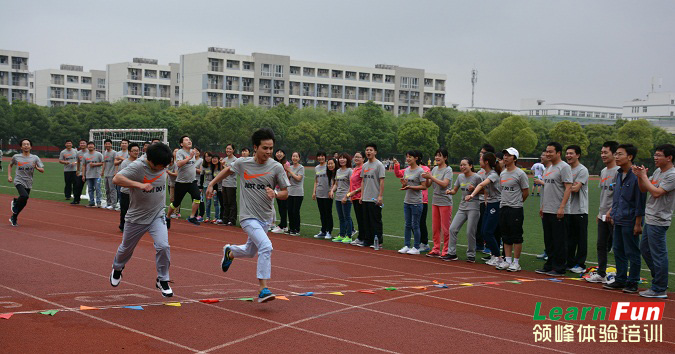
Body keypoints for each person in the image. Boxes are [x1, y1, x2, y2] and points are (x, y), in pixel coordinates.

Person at [206, 128, 290, 303]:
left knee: (251, 251)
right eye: (265, 148)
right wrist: (212, 184)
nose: (268, 152)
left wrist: (274, 194)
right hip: (247, 216)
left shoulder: (276, 167)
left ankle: (230, 252)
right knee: (266, 246)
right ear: (255, 147)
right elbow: (228, 170)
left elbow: (285, 193)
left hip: (266, 217)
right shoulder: (243, 163)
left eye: (271, 148)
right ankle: (263, 289)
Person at [110, 142, 174, 298]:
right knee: (126, 248)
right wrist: (138, 184)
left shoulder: (164, 162)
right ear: (151, 161)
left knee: (163, 246)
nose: (163, 168)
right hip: (136, 217)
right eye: (160, 166)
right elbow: (116, 179)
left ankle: (162, 279)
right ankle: (117, 268)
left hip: (157, 215)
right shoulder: (138, 166)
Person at [633, 143, 675, 298]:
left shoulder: (672, 175)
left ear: (669, 158)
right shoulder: (658, 171)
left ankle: (659, 288)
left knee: (658, 253)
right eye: (655, 155)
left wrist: (644, 177)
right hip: (650, 217)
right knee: (645, 250)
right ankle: (660, 279)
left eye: (658, 155)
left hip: (659, 219)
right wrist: (640, 177)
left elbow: (657, 193)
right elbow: (644, 189)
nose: (655, 158)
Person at [604, 144, 644, 293]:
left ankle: (633, 282)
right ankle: (620, 279)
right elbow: (617, 197)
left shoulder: (636, 176)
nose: (616, 157)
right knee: (618, 250)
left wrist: (638, 223)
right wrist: (613, 213)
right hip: (619, 218)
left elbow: (640, 201)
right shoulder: (619, 174)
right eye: (616, 154)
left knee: (632, 252)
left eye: (620, 154)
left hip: (631, 220)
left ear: (630, 157)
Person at [536, 142, 573, 277]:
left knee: (559, 240)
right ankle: (550, 265)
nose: (548, 154)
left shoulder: (564, 167)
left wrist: (562, 207)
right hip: (547, 209)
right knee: (549, 240)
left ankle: (559, 267)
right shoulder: (548, 168)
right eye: (547, 151)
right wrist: (543, 206)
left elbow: (568, 187)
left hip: (559, 210)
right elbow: (547, 187)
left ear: (558, 153)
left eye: (551, 151)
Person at [587, 141, 620, 284]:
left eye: (606, 152)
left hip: (614, 215)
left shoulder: (619, 172)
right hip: (602, 215)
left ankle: (620, 276)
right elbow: (604, 194)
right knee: (601, 245)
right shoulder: (603, 171)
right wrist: (600, 213)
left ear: (614, 153)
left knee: (618, 246)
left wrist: (612, 211)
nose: (603, 155)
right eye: (601, 152)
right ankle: (601, 273)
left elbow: (620, 196)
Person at [466, 152, 502, 266]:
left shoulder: (493, 174)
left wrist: (471, 195)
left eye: (481, 159)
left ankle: (498, 256)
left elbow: (482, 185)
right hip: (490, 204)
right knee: (483, 231)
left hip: (497, 203)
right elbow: (486, 189)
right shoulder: (486, 173)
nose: (479, 161)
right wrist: (486, 200)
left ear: (486, 162)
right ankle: (493, 255)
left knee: (488, 231)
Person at [444, 157, 482, 262]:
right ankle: (451, 253)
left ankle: (471, 255)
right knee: (452, 229)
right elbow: (455, 190)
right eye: (461, 165)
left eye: (464, 165)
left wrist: (474, 189)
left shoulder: (477, 177)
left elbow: (484, 191)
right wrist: (449, 191)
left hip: (473, 207)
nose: (462, 167)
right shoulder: (460, 177)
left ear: (470, 166)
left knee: (470, 231)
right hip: (462, 207)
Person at [394, 152, 431, 252]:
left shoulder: (420, 171)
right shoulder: (406, 170)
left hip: (417, 202)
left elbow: (424, 186)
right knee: (407, 224)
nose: (408, 159)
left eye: (410, 157)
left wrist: (411, 187)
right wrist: (404, 185)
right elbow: (405, 186)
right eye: (407, 157)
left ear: (416, 158)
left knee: (416, 225)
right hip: (407, 201)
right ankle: (406, 245)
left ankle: (416, 247)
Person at [423, 148, 452, 258]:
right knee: (435, 227)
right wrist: (427, 178)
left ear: (445, 158)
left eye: (440, 155)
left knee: (445, 227)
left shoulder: (448, 170)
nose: (437, 158)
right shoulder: (434, 169)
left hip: (445, 201)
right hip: (435, 201)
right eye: (436, 155)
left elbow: (444, 184)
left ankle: (446, 250)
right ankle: (436, 249)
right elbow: (428, 185)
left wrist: (430, 177)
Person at [166, 136, 201, 226]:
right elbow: (179, 164)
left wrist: (193, 155)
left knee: (197, 197)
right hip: (181, 183)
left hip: (192, 182)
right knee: (176, 203)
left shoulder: (192, 151)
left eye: (190, 140)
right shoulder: (180, 152)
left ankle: (192, 217)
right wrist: (189, 157)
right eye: (186, 140)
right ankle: (168, 217)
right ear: (181, 144)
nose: (189, 141)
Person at [8, 138, 44, 226]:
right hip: (19, 180)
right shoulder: (16, 157)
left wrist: (37, 168)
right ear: (21, 147)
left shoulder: (35, 158)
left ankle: (14, 217)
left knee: (24, 202)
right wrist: (9, 176)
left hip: (29, 181)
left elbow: (42, 170)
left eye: (28, 144)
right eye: (24, 144)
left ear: (31, 147)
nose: (26, 146)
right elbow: (10, 165)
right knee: (24, 196)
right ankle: (15, 202)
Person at [565, 145, 589, 274]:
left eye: (571, 153)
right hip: (568, 209)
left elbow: (575, 188)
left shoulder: (582, 170)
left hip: (580, 210)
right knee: (570, 238)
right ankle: (570, 262)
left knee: (581, 239)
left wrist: (563, 186)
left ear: (578, 155)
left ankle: (580, 263)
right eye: (567, 153)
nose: (568, 156)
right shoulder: (566, 169)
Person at [360, 143, 386, 248]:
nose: (368, 152)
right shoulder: (365, 165)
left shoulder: (379, 165)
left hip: (374, 198)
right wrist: (361, 195)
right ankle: (368, 240)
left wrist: (380, 196)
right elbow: (363, 181)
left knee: (375, 220)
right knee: (366, 220)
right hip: (365, 197)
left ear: (375, 152)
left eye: (371, 150)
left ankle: (377, 241)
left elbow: (382, 181)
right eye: (367, 150)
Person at [476, 144, 495, 254]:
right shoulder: (480, 172)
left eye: (483, 153)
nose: (480, 155)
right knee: (479, 225)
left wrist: (475, 191)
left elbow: (488, 189)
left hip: (489, 201)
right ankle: (479, 244)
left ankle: (490, 247)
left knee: (487, 226)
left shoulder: (494, 172)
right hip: (480, 201)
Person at [332, 153, 353, 243]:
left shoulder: (349, 171)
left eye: (344, 158)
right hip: (338, 197)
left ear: (347, 160)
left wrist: (346, 196)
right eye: (340, 158)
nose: (342, 160)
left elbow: (352, 185)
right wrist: (332, 191)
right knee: (341, 217)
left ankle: (349, 236)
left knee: (347, 217)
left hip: (346, 198)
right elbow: (336, 184)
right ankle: (341, 235)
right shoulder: (338, 171)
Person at [118, 143, 140, 232]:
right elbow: (122, 176)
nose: (136, 152)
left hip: (137, 191)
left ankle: (136, 226)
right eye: (134, 151)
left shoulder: (140, 162)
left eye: (137, 151)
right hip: (126, 191)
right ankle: (123, 226)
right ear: (129, 152)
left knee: (137, 210)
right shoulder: (125, 163)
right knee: (125, 210)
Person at [534, 149, 551, 261]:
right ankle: (547, 251)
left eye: (543, 155)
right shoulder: (546, 171)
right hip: (544, 204)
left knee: (552, 231)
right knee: (547, 231)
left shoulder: (553, 170)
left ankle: (551, 253)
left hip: (552, 206)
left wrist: (541, 183)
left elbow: (556, 187)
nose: (542, 156)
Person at [313, 151, 333, 239]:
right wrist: (314, 192)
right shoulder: (317, 168)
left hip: (328, 193)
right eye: (319, 156)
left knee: (328, 212)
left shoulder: (329, 166)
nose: (320, 158)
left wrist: (331, 190)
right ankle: (323, 230)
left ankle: (329, 231)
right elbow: (316, 181)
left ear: (325, 157)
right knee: (322, 213)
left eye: (322, 156)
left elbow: (333, 179)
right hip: (319, 192)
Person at [347, 151, 365, 246]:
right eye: (355, 157)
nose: (356, 158)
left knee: (362, 218)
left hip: (360, 197)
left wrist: (355, 192)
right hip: (354, 197)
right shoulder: (355, 169)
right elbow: (352, 183)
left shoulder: (363, 169)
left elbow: (364, 183)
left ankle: (362, 237)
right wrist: (351, 194)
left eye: (359, 157)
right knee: (358, 218)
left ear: (363, 159)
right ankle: (360, 237)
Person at [271, 149, 290, 233]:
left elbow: (287, 176)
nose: (279, 154)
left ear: (284, 154)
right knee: (280, 207)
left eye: (281, 152)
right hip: (277, 188)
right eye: (277, 152)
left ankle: (283, 225)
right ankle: (284, 225)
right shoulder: (274, 164)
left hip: (284, 188)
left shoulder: (286, 164)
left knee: (283, 207)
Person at [286, 152, 305, 236]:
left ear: (299, 158)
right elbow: (287, 178)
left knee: (295, 211)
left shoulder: (301, 168)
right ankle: (291, 228)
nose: (295, 158)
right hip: (290, 191)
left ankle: (297, 229)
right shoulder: (290, 167)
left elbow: (298, 178)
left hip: (298, 192)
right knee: (290, 211)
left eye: (296, 156)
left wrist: (290, 171)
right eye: (293, 156)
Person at [82, 141, 104, 208]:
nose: (90, 146)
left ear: (94, 146)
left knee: (98, 189)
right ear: (87, 146)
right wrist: (83, 175)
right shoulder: (85, 155)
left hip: (97, 175)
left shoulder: (99, 154)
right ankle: (91, 202)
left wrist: (95, 164)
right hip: (88, 175)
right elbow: (83, 165)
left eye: (91, 145)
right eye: (89, 145)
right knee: (90, 189)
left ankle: (99, 202)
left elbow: (103, 163)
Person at [220, 144, 238, 226]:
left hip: (231, 184)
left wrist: (223, 165)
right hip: (224, 183)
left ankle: (232, 220)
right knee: (225, 202)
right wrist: (221, 165)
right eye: (227, 149)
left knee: (232, 202)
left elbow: (231, 171)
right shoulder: (225, 159)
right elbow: (222, 171)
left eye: (230, 149)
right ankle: (225, 219)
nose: (228, 150)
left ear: (233, 150)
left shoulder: (235, 160)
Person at [202, 154, 222, 223]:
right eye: (206, 157)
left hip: (218, 187)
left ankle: (217, 217)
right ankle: (208, 217)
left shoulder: (220, 167)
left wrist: (214, 189)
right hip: (209, 187)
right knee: (208, 202)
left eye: (215, 158)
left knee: (216, 202)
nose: (213, 159)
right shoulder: (211, 167)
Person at [114, 139, 130, 210]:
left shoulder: (129, 153)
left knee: (127, 191)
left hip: (127, 174)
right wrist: (121, 159)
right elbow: (115, 163)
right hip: (119, 174)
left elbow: (129, 161)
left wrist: (120, 159)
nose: (124, 144)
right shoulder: (118, 153)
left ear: (128, 144)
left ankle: (127, 205)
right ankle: (120, 204)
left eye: (125, 143)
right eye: (122, 143)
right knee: (119, 190)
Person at [102, 139, 118, 210]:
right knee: (107, 189)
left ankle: (113, 204)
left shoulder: (114, 153)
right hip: (106, 174)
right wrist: (102, 171)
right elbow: (104, 163)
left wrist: (115, 172)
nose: (107, 145)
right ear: (104, 145)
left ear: (111, 144)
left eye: (109, 144)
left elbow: (116, 163)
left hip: (112, 174)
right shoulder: (104, 153)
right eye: (106, 144)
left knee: (112, 189)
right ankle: (108, 203)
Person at [71, 139, 87, 205]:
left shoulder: (89, 152)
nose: (82, 144)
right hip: (81, 172)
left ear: (86, 144)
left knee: (92, 187)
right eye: (81, 143)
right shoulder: (78, 153)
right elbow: (78, 162)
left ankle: (94, 202)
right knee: (78, 186)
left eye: (83, 143)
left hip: (89, 172)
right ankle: (76, 200)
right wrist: (77, 170)